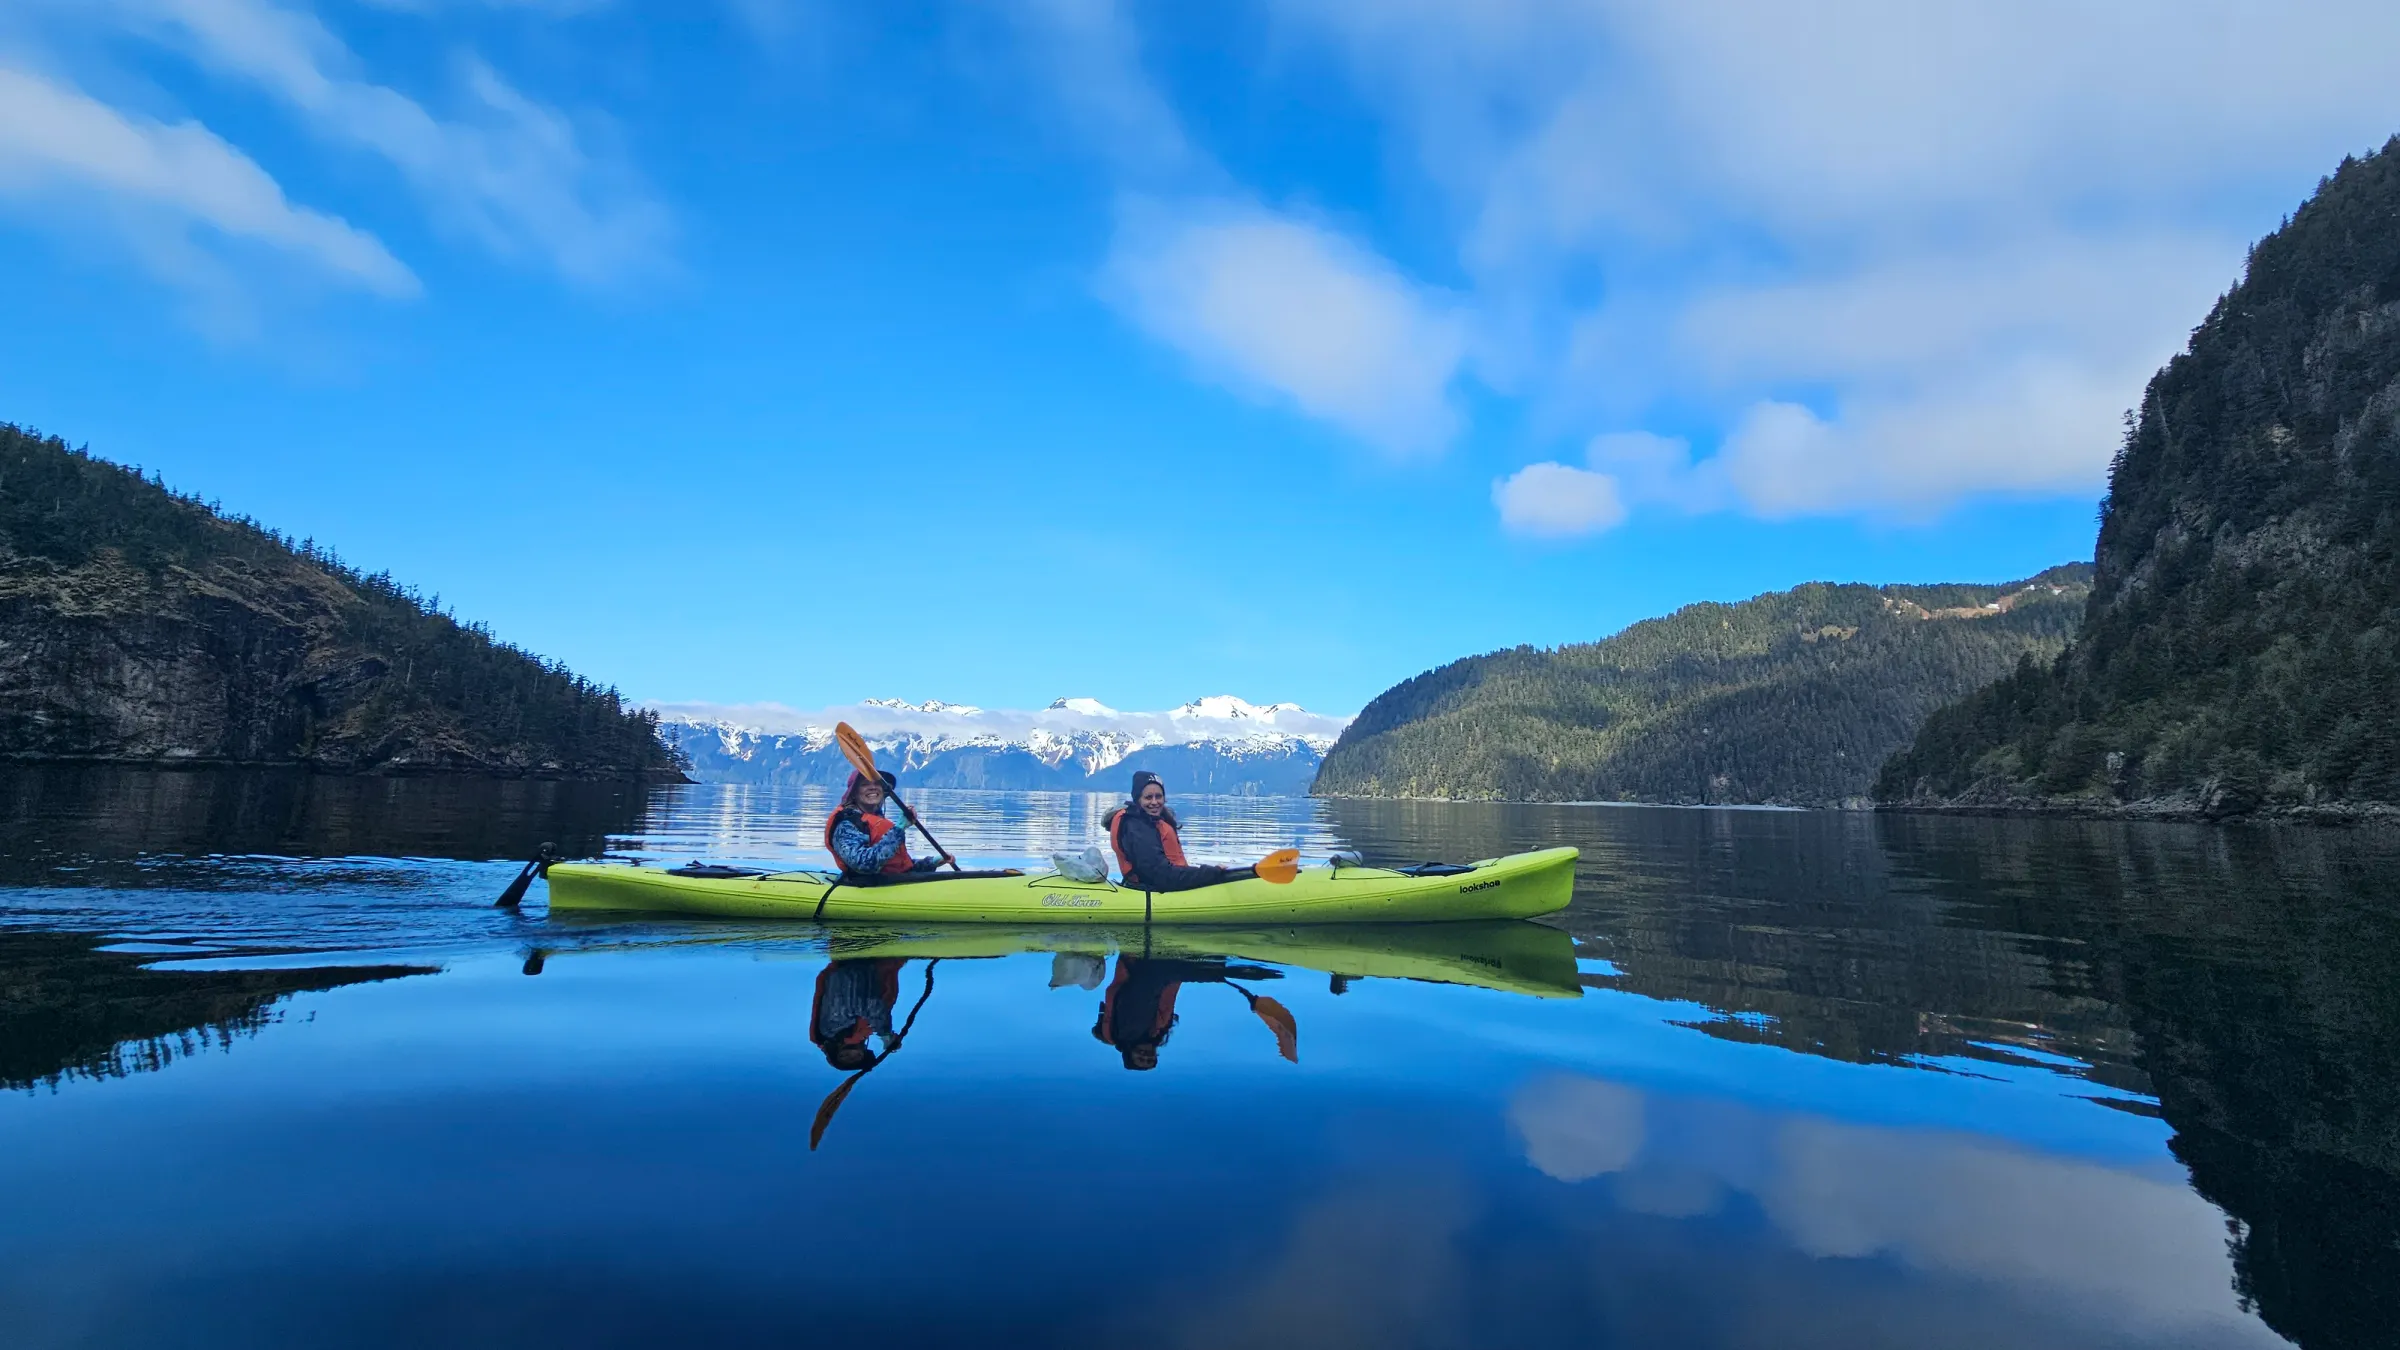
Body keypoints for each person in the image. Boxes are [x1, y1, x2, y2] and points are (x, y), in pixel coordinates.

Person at [1103, 771, 1255, 891]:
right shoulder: (1136, 827)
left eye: (1159, 796)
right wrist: (1210, 873)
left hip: (1168, 885)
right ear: (1138, 800)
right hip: (1153, 889)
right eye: (1148, 797)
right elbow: (1162, 876)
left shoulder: (1152, 821)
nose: (1155, 802)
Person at [824, 770, 946, 879]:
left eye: (877, 783)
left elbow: (898, 866)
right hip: (860, 886)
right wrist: (899, 828)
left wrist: (930, 863)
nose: (873, 787)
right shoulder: (846, 823)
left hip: (887, 884)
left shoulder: (876, 819)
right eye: (865, 784)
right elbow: (864, 864)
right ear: (854, 793)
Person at [810, 957, 908, 1071]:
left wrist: (885, 1034)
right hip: (877, 962)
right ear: (864, 1052)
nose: (852, 1052)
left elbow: (864, 1005)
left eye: (845, 1056)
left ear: (836, 1051)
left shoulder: (829, 1029)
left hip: (854, 961)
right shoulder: (863, 1029)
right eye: (856, 1056)